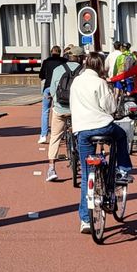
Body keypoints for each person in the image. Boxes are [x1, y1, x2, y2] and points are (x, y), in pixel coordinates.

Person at [71, 52, 133, 234]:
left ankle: (85, 220)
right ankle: (122, 170)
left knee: (86, 174)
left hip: (82, 130)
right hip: (102, 127)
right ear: (100, 67)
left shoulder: (76, 82)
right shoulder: (100, 83)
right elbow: (111, 108)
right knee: (120, 135)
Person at [45, 47, 83, 182]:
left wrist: (56, 103)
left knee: (55, 136)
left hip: (60, 109)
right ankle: (84, 166)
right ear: (80, 57)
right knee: (83, 135)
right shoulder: (83, 71)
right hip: (77, 110)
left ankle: (51, 169)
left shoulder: (58, 70)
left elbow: (53, 89)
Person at [38, 45, 65, 144]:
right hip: (60, 89)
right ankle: (60, 134)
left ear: (51, 52)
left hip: (48, 88)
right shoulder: (63, 61)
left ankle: (43, 135)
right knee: (60, 110)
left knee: (45, 111)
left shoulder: (46, 61)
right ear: (60, 52)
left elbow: (41, 75)